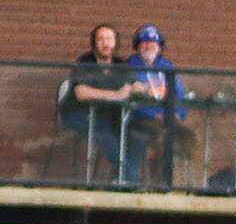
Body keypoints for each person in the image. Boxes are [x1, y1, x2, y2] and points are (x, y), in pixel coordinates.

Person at [58, 23, 135, 180]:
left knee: (135, 133)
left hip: (108, 117)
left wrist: (133, 89)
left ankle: (119, 180)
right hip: (78, 115)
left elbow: (129, 87)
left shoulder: (121, 65)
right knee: (103, 130)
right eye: (100, 39)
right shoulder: (85, 62)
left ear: (115, 42)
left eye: (109, 39)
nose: (105, 43)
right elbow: (81, 93)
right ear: (94, 43)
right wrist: (113, 94)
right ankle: (130, 178)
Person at [120, 24, 181, 187]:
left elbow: (180, 96)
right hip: (138, 121)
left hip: (166, 120)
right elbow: (130, 101)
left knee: (188, 136)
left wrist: (178, 114)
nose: (148, 46)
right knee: (158, 138)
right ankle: (139, 182)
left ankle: (164, 182)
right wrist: (153, 115)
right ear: (137, 46)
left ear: (159, 47)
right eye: (144, 42)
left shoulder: (168, 68)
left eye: (153, 42)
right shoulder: (127, 68)